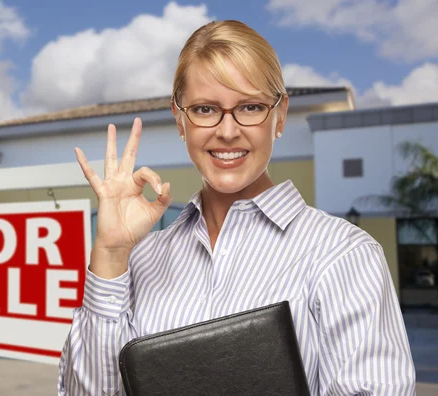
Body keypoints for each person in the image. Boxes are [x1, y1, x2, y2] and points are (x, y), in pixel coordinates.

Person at [57, 20, 416, 395]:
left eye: (250, 106)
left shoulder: (343, 255)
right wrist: (111, 255)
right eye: (206, 109)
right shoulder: (143, 259)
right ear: (180, 119)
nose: (227, 131)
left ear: (280, 116)